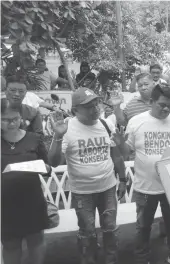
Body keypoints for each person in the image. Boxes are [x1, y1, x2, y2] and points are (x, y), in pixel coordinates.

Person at [48, 88, 127, 264]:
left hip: (108, 188)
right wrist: (58, 136)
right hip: (82, 193)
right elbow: (53, 162)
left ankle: (110, 261)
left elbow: (117, 155)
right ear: (75, 109)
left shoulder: (106, 125)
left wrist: (122, 179)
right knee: (87, 232)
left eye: (96, 103)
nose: (95, 108)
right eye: (89, 106)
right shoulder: (67, 128)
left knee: (110, 229)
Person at [116, 84, 170, 264]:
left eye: (169, 105)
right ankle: (142, 259)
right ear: (151, 102)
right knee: (143, 227)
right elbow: (126, 152)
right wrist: (120, 144)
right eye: (162, 104)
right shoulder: (136, 121)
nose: (166, 109)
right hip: (145, 188)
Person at [1, 99, 52, 264]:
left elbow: (48, 167)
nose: (12, 123)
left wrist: (45, 168)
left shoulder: (34, 139)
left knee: (36, 242)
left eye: (15, 119)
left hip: (32, 201)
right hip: (5, 204)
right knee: (10, 245)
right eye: (5, 119)